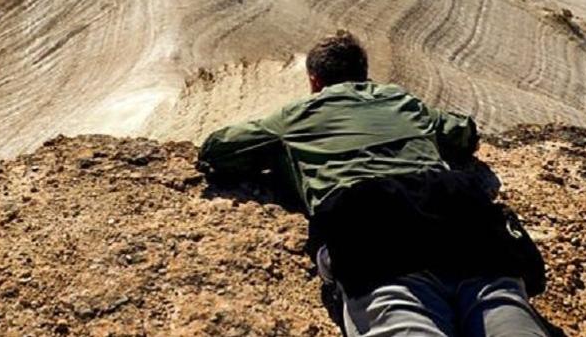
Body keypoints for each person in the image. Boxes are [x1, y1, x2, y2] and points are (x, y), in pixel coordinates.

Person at [197, 31, 549, 337]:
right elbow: (463, 133)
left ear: (314, 81)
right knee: (505, 310)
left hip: (371, 226)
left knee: (402, 317)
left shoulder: (295, 117)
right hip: (458, 212)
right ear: (365, 75)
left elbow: (219, 149)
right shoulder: (402, 100)